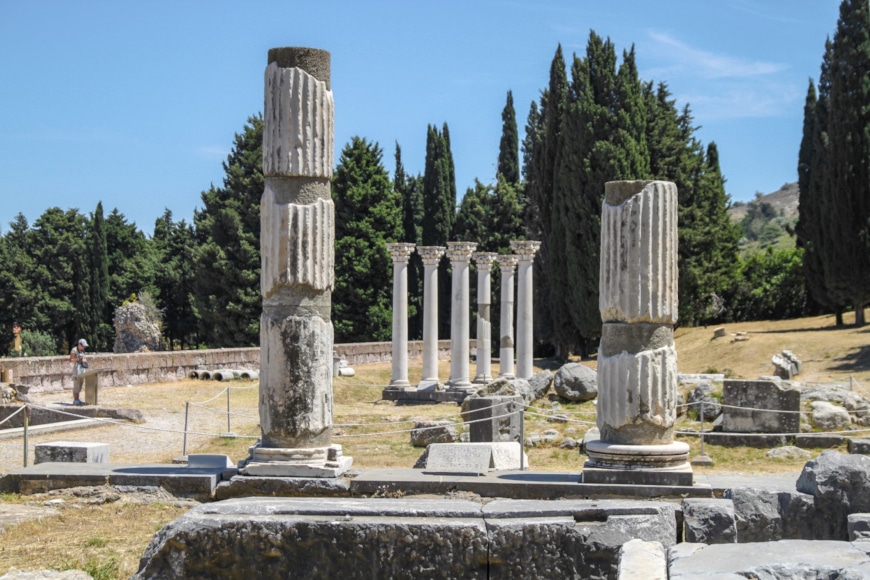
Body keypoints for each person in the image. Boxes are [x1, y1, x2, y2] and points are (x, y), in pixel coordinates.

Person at [69, 338, 88, 405]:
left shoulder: (82, 351)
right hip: (76, 368)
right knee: (76, 384)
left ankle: (78, 399)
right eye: (83, 346)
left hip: (82, 368)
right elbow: (71, 360)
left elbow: (85, 359)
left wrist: (84, 360)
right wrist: (77, 358)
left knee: (80, 383)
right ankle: (75, 400)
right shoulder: (74, 350)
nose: (84, 347)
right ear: (79, 344)